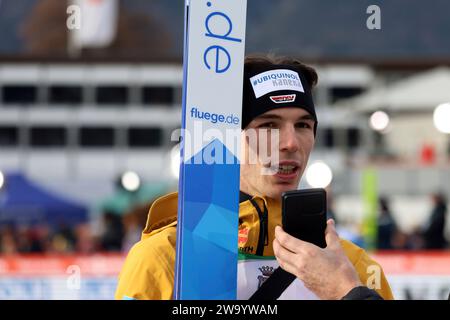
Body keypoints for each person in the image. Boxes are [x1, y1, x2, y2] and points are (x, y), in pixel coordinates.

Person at [115, 55, 394, 300]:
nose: (290, 143)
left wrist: (344, 292)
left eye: (303, 125)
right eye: (269, 125)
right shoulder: (167, 257)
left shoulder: (351, 266)